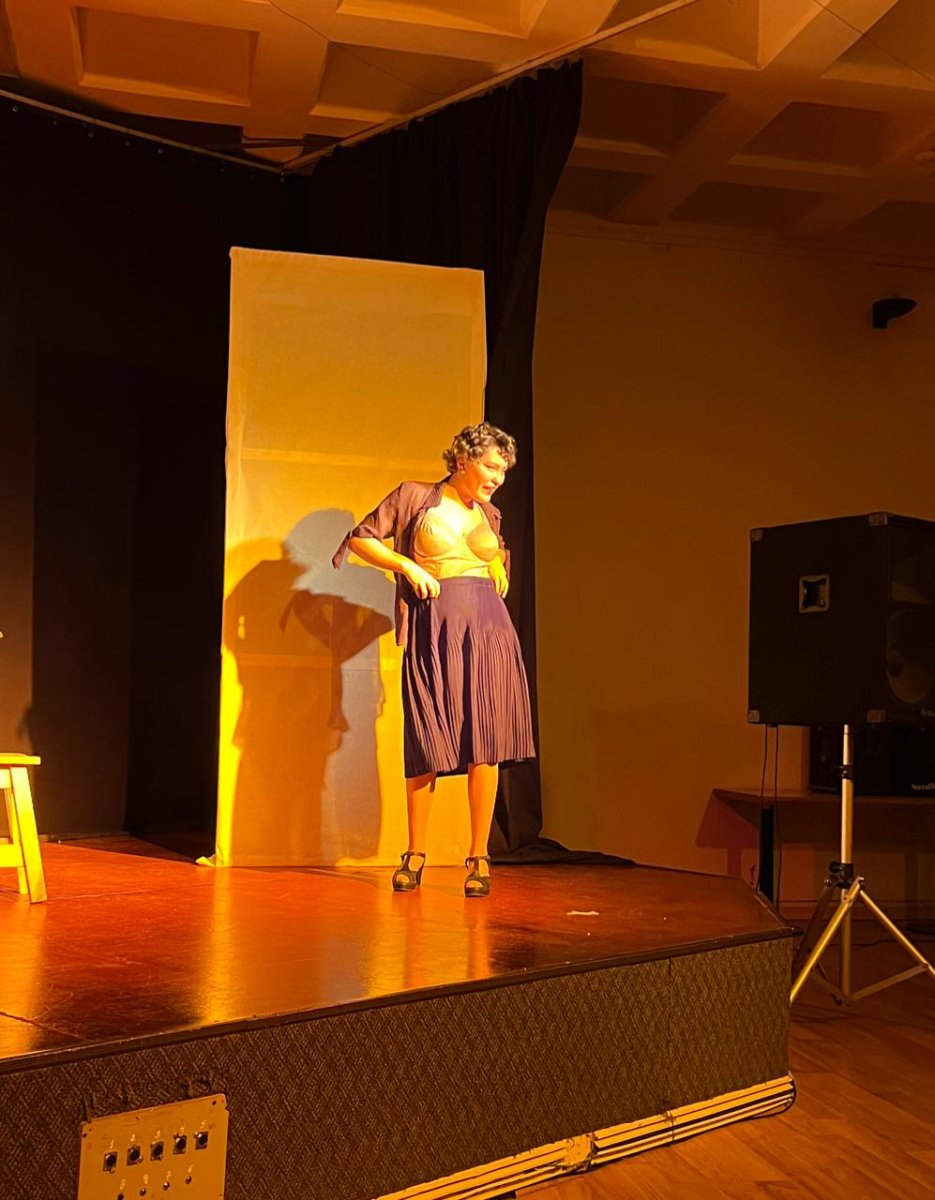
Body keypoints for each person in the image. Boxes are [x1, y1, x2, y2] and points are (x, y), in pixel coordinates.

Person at [332, 422, 535, 897]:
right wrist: (406, 565)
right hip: (435, 627)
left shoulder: (489, 513)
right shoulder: (416, 497)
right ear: (463, 460)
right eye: (491, 467)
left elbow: (493, 551)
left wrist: (495, 563)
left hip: (490, 630)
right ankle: (415, 852)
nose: (498, 478)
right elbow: (361, 538)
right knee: (427, 736)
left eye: (503, 471)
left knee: (486, 739)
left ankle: (478, 856)